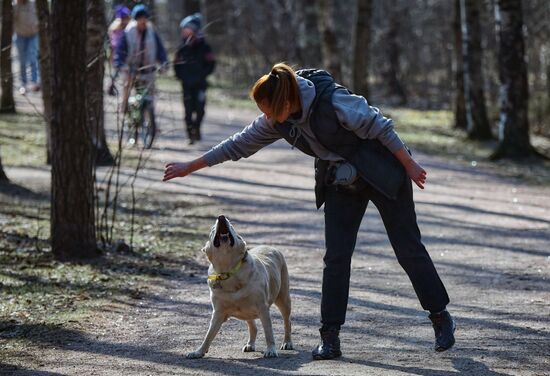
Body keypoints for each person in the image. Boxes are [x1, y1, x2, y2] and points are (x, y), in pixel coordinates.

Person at [163, 63, 456, 360]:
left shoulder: (334, 102)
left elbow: (380, 125)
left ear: (286, 103)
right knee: (336, 256)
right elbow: (237, 145)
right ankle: (330, 337)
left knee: (407, 248)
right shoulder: (276, 120)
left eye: (267, 110)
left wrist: (410, 165)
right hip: (341, 178)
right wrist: (190, 166)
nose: (264, 117)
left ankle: (440, 317)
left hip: (383, 170)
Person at [113, 4, 168, 113]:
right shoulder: (128, 32)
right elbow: (120, 50)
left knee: (150, 96)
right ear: (135, 19)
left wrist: (163, 62)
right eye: (140, 18)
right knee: (126, 88)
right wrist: (120, 64)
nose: (143, 21)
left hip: (148, 69)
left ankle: (151, 122)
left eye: (144, 18)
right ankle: (124, 110)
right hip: (131, 69)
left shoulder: (152, 32)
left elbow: (160, 49)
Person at [174, 13, 216, 144]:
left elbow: (211, 63)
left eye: (188, 29)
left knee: (200, 109)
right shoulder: (182, 48)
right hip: (186, 85)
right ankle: (189, 134)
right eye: (184, 30)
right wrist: (181, 76)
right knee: (187, 110)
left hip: (200, 84)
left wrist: (203, 74)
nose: (185, 32)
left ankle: (197, 129)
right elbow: (176, 64)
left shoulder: (205, 47)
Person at [13, 0, 40, 93]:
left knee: (33, 58)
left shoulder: (34, 4)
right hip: (20, 36)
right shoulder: (15, 6)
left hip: (33, 36)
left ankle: (34, 82)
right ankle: (23, 84)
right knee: (22, 61)